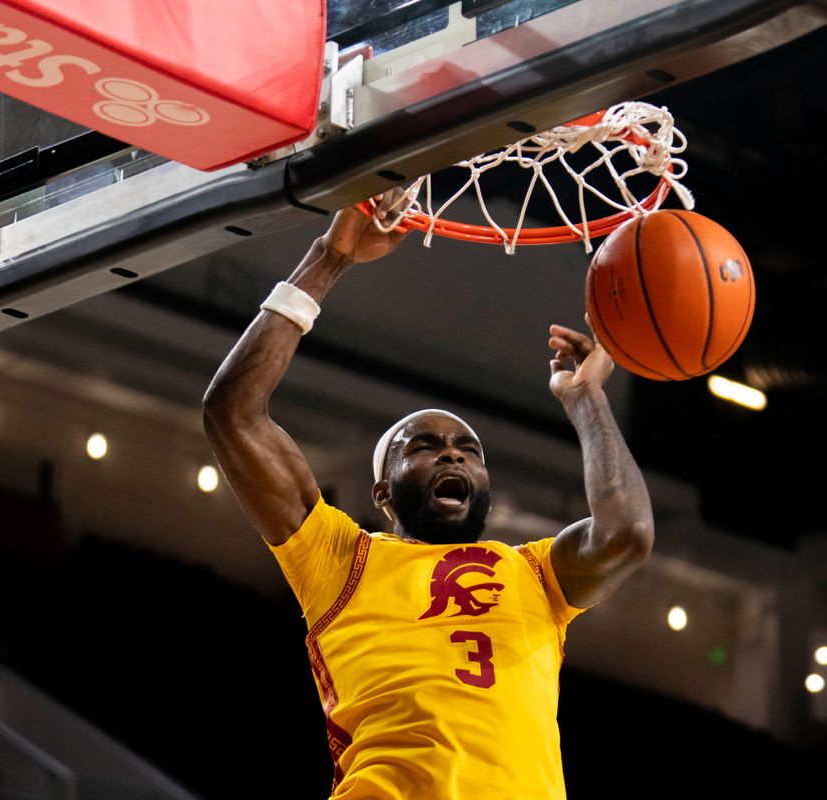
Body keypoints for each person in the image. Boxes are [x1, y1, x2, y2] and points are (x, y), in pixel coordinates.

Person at [202, 198, 654, 799]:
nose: (453, 454)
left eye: (469, 450)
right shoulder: (342, 560)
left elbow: (627, 534)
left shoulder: (536, 574)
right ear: (383, 492)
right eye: (425, 446)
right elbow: (232, 415)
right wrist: (328, 258)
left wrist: (585, 397)